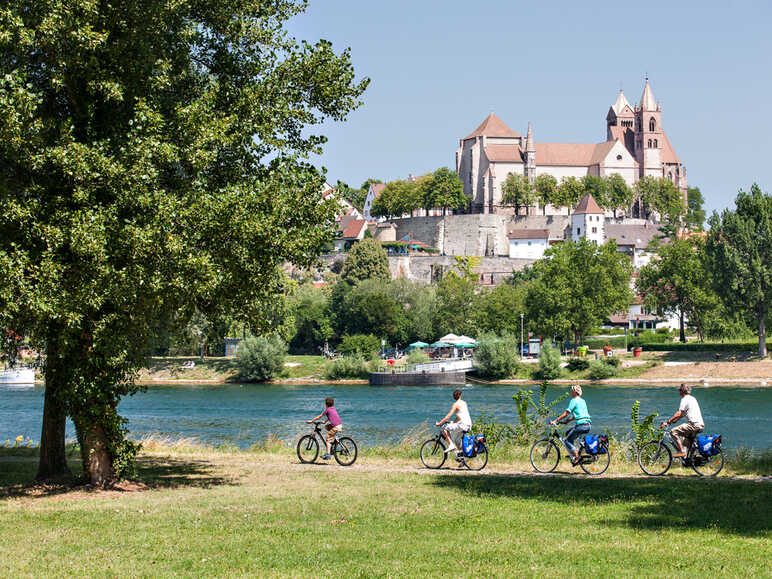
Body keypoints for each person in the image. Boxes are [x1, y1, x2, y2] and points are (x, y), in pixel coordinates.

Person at [551, 384, 591, 466]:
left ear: (574, 392)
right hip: (587, 425)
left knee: (566, 440)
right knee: (568, 433)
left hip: (581, 425)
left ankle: (576, 457)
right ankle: (573, 454)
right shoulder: (582, 401)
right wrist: (567, 421)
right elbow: (578, 415)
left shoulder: (574, 400)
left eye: (571, 390)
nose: (570, 392)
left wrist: (556, 420)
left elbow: (566, 413)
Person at [660, 383, 704, 458]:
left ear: (682, 391)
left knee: (673, 432)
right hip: (700, 425)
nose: (679, 392)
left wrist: (668, 422)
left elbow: (679, 413)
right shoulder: (692, 398)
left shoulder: (684, 399)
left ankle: (682, 451)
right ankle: (693, 459)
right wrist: (674, 421)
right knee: (686, 441)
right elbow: (682, 414)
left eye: (679, 390)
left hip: (693, 425)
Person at [435, 389, 472, 454]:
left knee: (443, 427)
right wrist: (453, 422)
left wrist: (439, 423)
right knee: (457, 442)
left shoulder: (456, 404)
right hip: (468, 425)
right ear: (460, 395)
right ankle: (462, 460)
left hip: (462, 425)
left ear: (453, 397)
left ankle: (451, 445)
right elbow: (459, 416)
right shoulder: (464, 403)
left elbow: (448, 415)